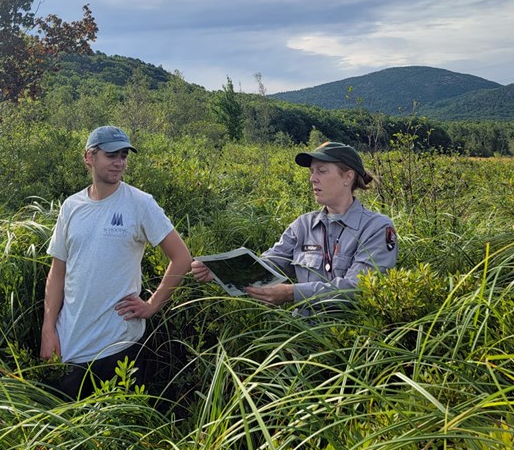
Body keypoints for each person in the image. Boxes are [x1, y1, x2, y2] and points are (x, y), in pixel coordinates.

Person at [40, 125, 193, 398]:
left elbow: (181, 258)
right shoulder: (71, 206)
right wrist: (48, 328)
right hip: (68, 344)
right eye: (111, 155)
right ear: (89, 157)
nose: (119, 162)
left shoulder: (140, 203)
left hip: (118, 346)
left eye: (123, 155)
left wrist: (151, 306)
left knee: (112, 433)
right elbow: (58, 272)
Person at [191, 141, 397, 316]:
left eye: (322, 171)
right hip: (300, 342)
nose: (312, 178)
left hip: (352, 345)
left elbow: (357, 289)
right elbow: (268, 266)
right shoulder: (302, 225)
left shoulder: (377, 228)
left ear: (347, 177)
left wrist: (292, 293)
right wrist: (224, 272)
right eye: (312, 171)